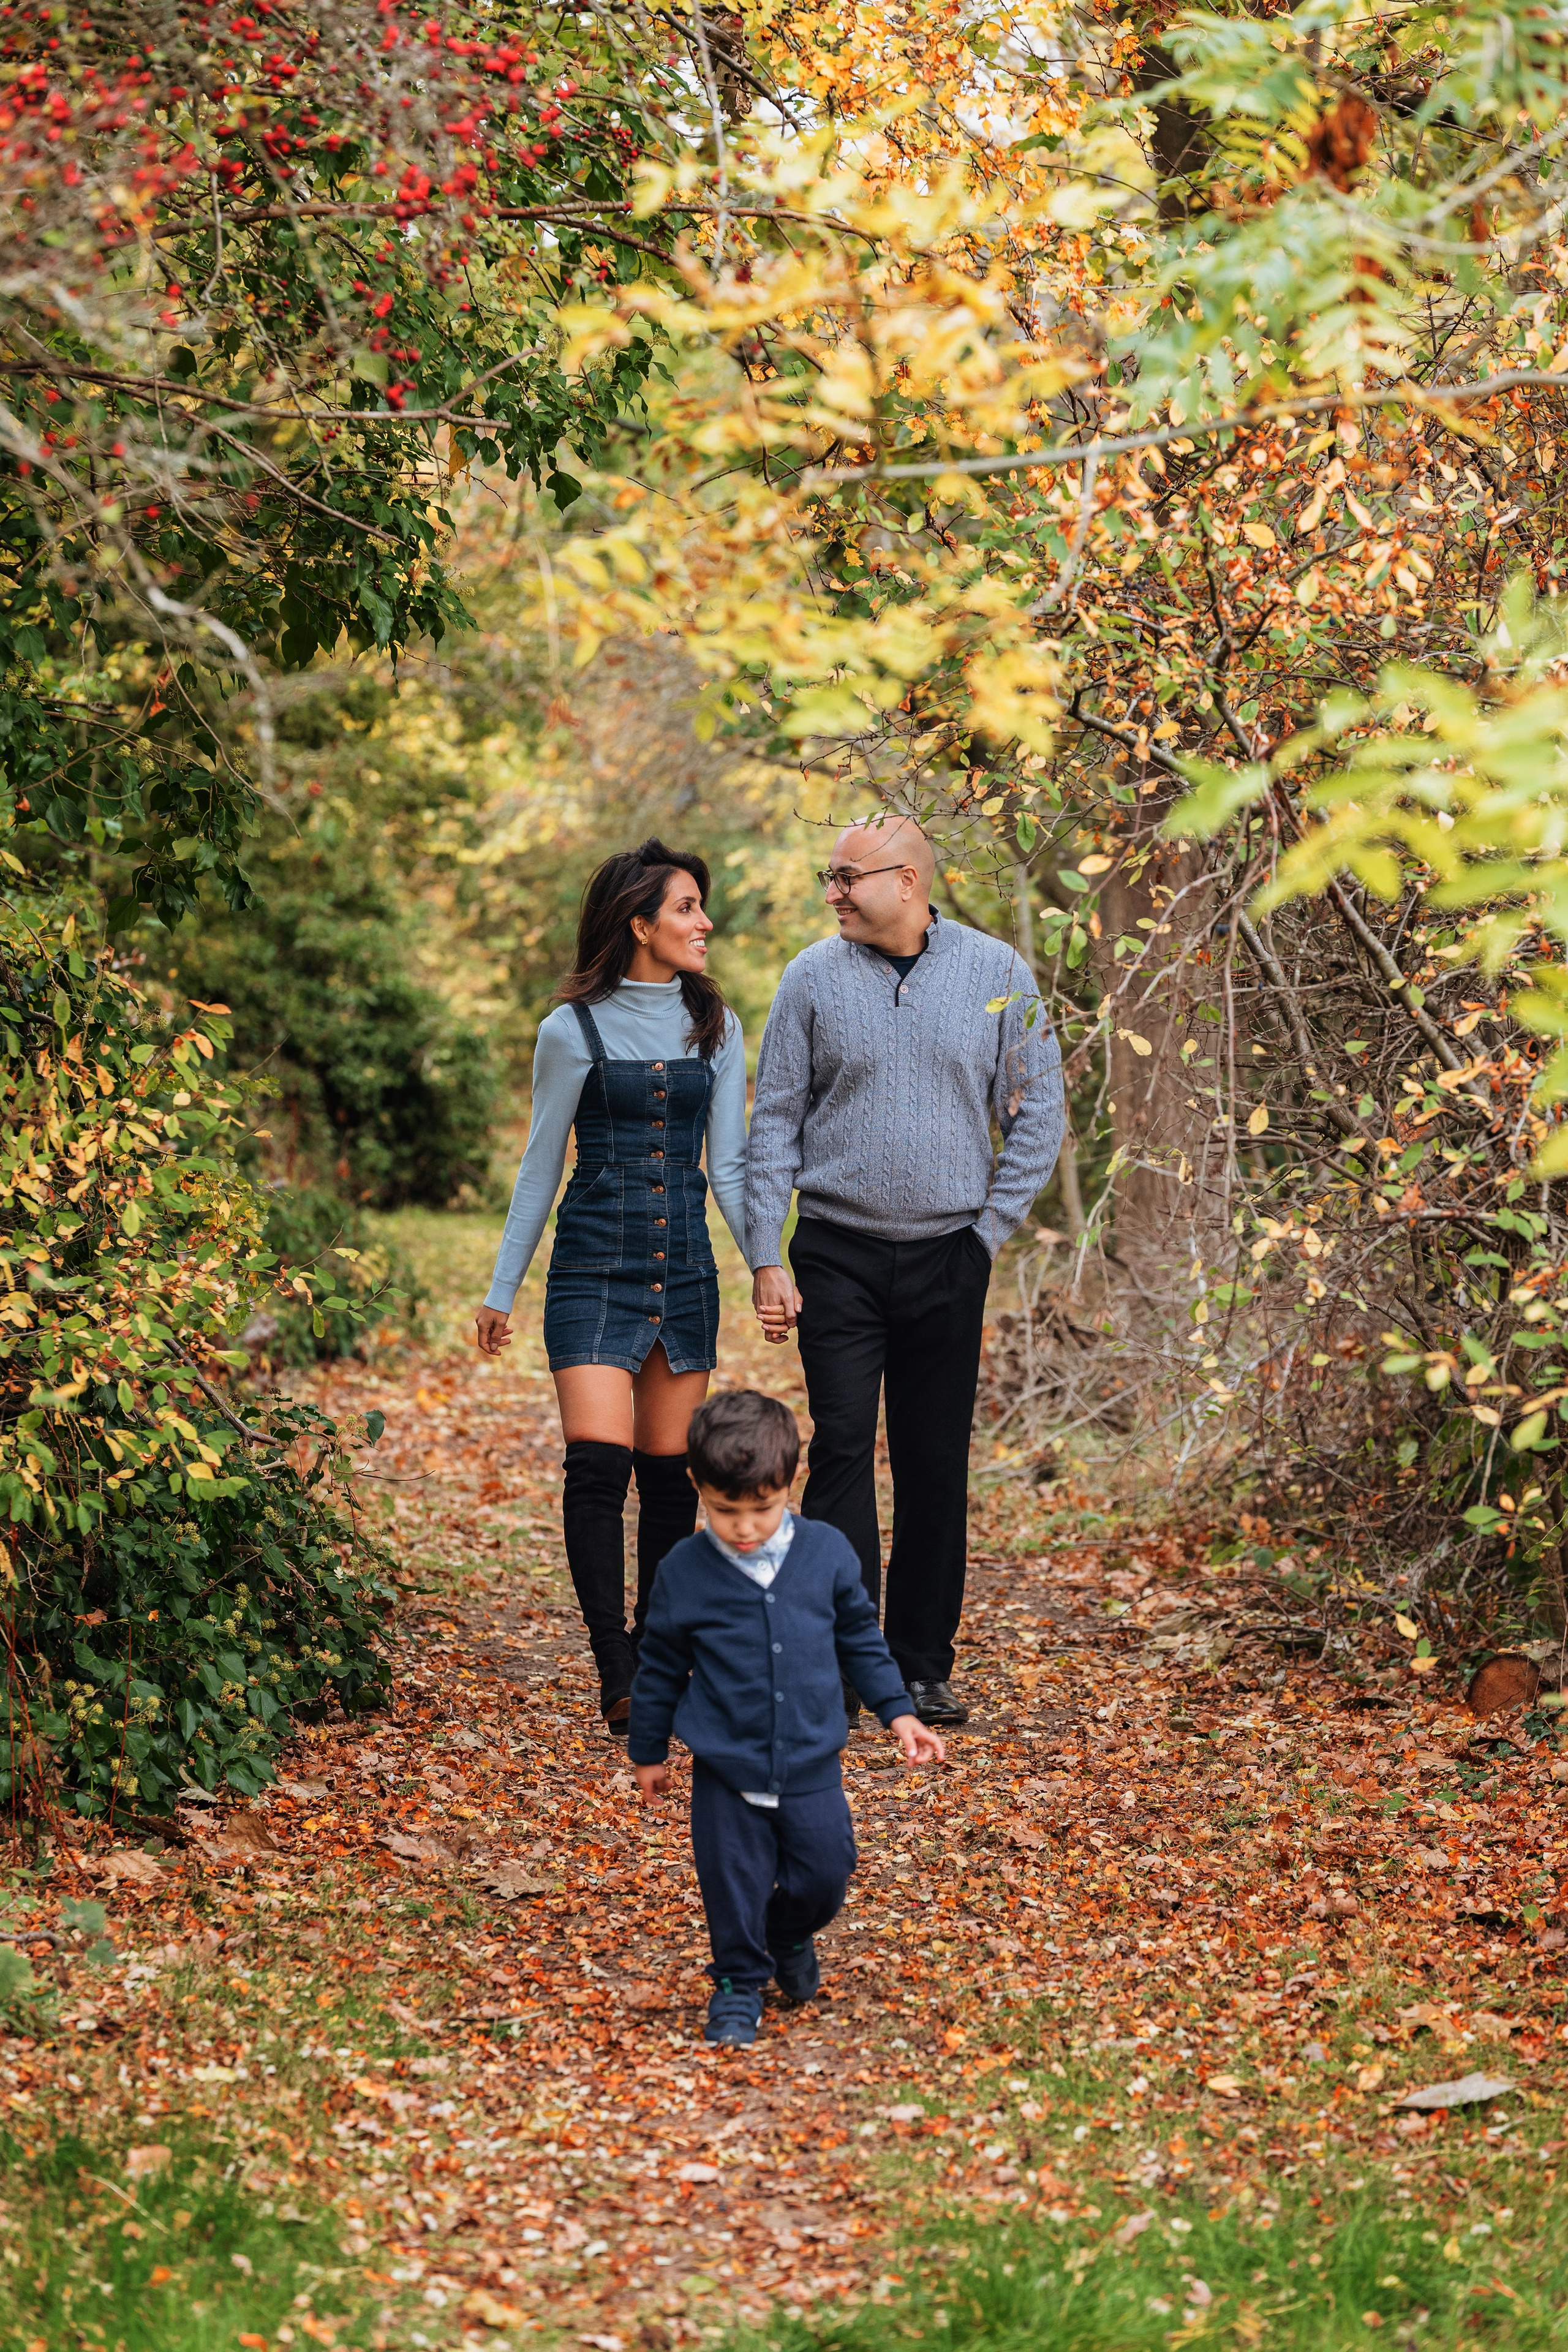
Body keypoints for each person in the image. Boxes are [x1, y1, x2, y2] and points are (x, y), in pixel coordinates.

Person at [744, 812, 1064, 1727]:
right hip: (836, 1252)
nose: (834, 892)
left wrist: (988, 1234)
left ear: (909, 881)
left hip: (948, 1256)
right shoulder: (809, 978)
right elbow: (775, 1124)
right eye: (829, 877)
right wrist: (767, 1252)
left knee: (933, 1464)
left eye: (848, 876)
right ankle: (844, 1665)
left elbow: (1039, 1110)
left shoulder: (998, 972)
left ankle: (922, 1665)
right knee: (842, 1447)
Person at [474, 839, 750, 1735]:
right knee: (598, 1467)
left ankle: (655, 1653)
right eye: (685, 908)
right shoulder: (571, 1028)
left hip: (686, 1273)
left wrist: (770, 1268)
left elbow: (735, 1168)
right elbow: (539, 1164)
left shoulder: (719, 1024)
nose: (704, 922)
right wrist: (501, 1289)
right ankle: (617, 1669)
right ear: (639, 924)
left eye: (701, 908)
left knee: (671, 1484)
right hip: (593, 1266)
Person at [628, 1389, 944, 2047]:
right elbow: (659, 1665)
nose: (744, 1530)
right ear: (697, 1487)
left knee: (827, 1872)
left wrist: (899, 1714)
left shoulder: (826, 1553)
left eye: (761, 1511)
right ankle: (738, 1986)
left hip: (809, 1759)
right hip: (725, 1765)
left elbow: (860, 1638)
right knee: (732, 1884)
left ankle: (790, 1931)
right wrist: (648, 1749)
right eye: (725, 1512)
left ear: (789, 1483)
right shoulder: (683, 1571)